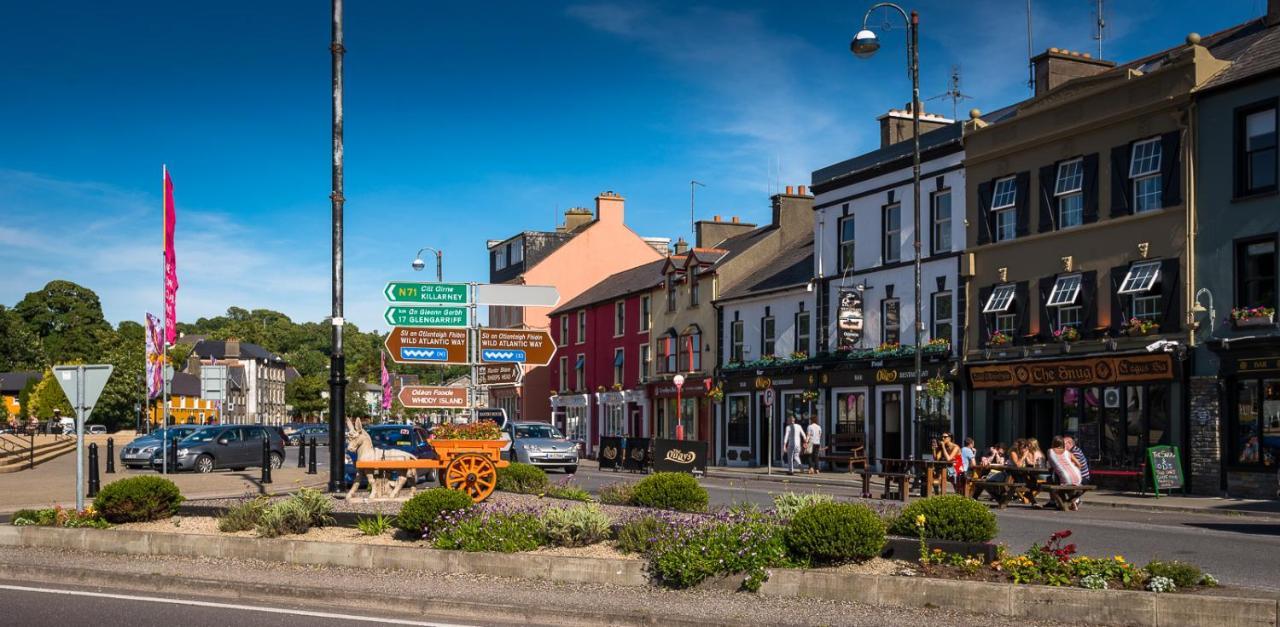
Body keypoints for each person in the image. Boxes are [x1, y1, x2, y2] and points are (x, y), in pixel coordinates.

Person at [1047, 436, 1085, 510]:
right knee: (1068, 485)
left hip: (1066, 478)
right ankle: (1073, 503)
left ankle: (1063, 504)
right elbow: (1079, 465)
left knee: (1057, 484)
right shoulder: (1068, 452)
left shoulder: (1050, 451)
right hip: (1078, 477)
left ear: (1053, 443)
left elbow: (1050, 465)